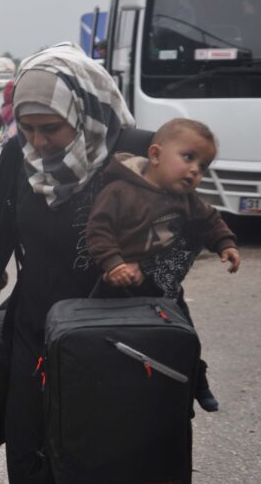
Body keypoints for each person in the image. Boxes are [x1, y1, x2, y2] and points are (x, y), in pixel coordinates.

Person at [0, 43, 175, 484]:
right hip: (36, 346)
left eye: (51, 128)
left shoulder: (140, 154)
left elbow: (179, 250)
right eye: (28, 127)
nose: (38, 141)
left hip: (124, 354)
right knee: (36, 482)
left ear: (83, 109)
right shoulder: (19, 157)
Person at [86, 117, 240, 412]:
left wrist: (226, 244)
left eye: (203, 166)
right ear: (155, 155)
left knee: (184, 336)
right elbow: (99, 230)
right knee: (105, 336)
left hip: (162, 288)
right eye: (188, 157)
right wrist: (113, 264)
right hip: (118, 284)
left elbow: (210, 221)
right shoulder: (119, 191)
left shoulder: (187, 199)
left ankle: (194, 382)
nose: (195, 170)